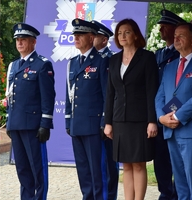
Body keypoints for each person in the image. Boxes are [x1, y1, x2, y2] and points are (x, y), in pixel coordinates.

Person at [155, 23, 192, 200]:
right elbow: (160, 96)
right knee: (180, 182)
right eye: (175, 35)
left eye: (181, 35)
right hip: (171, 131)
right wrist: (161, 117)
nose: (176, 38)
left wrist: (177, 116)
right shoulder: (170, 66)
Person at [104, 18, 159, 200]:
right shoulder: (114, 60)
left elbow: (152, 91)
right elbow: (110, 94)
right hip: (119, 120)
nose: (122, 36)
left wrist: (152, 120)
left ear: (135, 35)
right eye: (119, 33)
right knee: (126, 164)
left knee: (138, 164)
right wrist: (108, 123)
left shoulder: (147, 57)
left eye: (127, 32)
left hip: (140, 119)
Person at [5, 23, 55, 200]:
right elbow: (10, 96)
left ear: (33, 42)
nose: (19, 43)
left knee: (37, 169)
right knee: (23, 169)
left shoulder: (42, 65)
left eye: (23, 39)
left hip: (33, 127)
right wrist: (8, 121)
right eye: (18, 40)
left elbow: (48, 98)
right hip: (16, 124)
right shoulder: (13, 66)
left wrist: (45, 124)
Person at [65, 18, 109, 200]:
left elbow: (107, 95)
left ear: (92, 38)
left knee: (97, 170)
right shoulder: (72, 63)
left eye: (80, 34)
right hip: (77, 124)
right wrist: (68, 120)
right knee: (83, 170)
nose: (76, 37)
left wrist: (104, 121)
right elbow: (69, 94)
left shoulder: (101, 61)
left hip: (93, 125)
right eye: (75, 34)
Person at [154, 10, 185, 200]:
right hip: (159, 114)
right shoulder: (159, 54)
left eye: (165, 26)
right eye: (160, 25)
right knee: (160, 159)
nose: (161, 29)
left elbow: (183, 88)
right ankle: (165, 193)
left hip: (174, 114)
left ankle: (175, 193)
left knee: (175, 159)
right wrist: (158, 115)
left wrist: (168, 114)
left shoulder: (180, 54)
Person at [92, 19, 119, 200]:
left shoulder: (109, 59)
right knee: (95, 165)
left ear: (104, 40)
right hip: (91, 121)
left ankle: (110, 196)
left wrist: (105, 120)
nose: (91, 38)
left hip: (107, 119)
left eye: (95, 36)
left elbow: (109, 94)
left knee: (109, 163)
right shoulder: (89, 59)